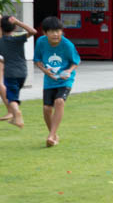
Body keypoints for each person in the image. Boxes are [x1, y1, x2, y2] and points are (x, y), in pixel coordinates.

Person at [0, 16, 37, 129]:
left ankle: (17, 114)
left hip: (10, 73)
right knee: (14, 94)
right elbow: (33, 31)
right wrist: (18, 21)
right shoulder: (18, 39)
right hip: (23, 72)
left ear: (0, 28)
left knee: (11, 98)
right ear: (15, 28)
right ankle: (13, 118)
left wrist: (0, 59)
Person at [34, 16, 81, 147]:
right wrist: (45, 71)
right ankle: (54, 135)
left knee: (59, 101)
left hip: (65, 80)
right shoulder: (41, 42)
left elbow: (76, 62)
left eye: (58, 31)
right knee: (46, 108)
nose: (56, 34)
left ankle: (50, 135)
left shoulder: (67, 45)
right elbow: (37, 60)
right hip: (49, 80)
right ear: (45, 33)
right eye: (52, 31)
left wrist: (69, 72)